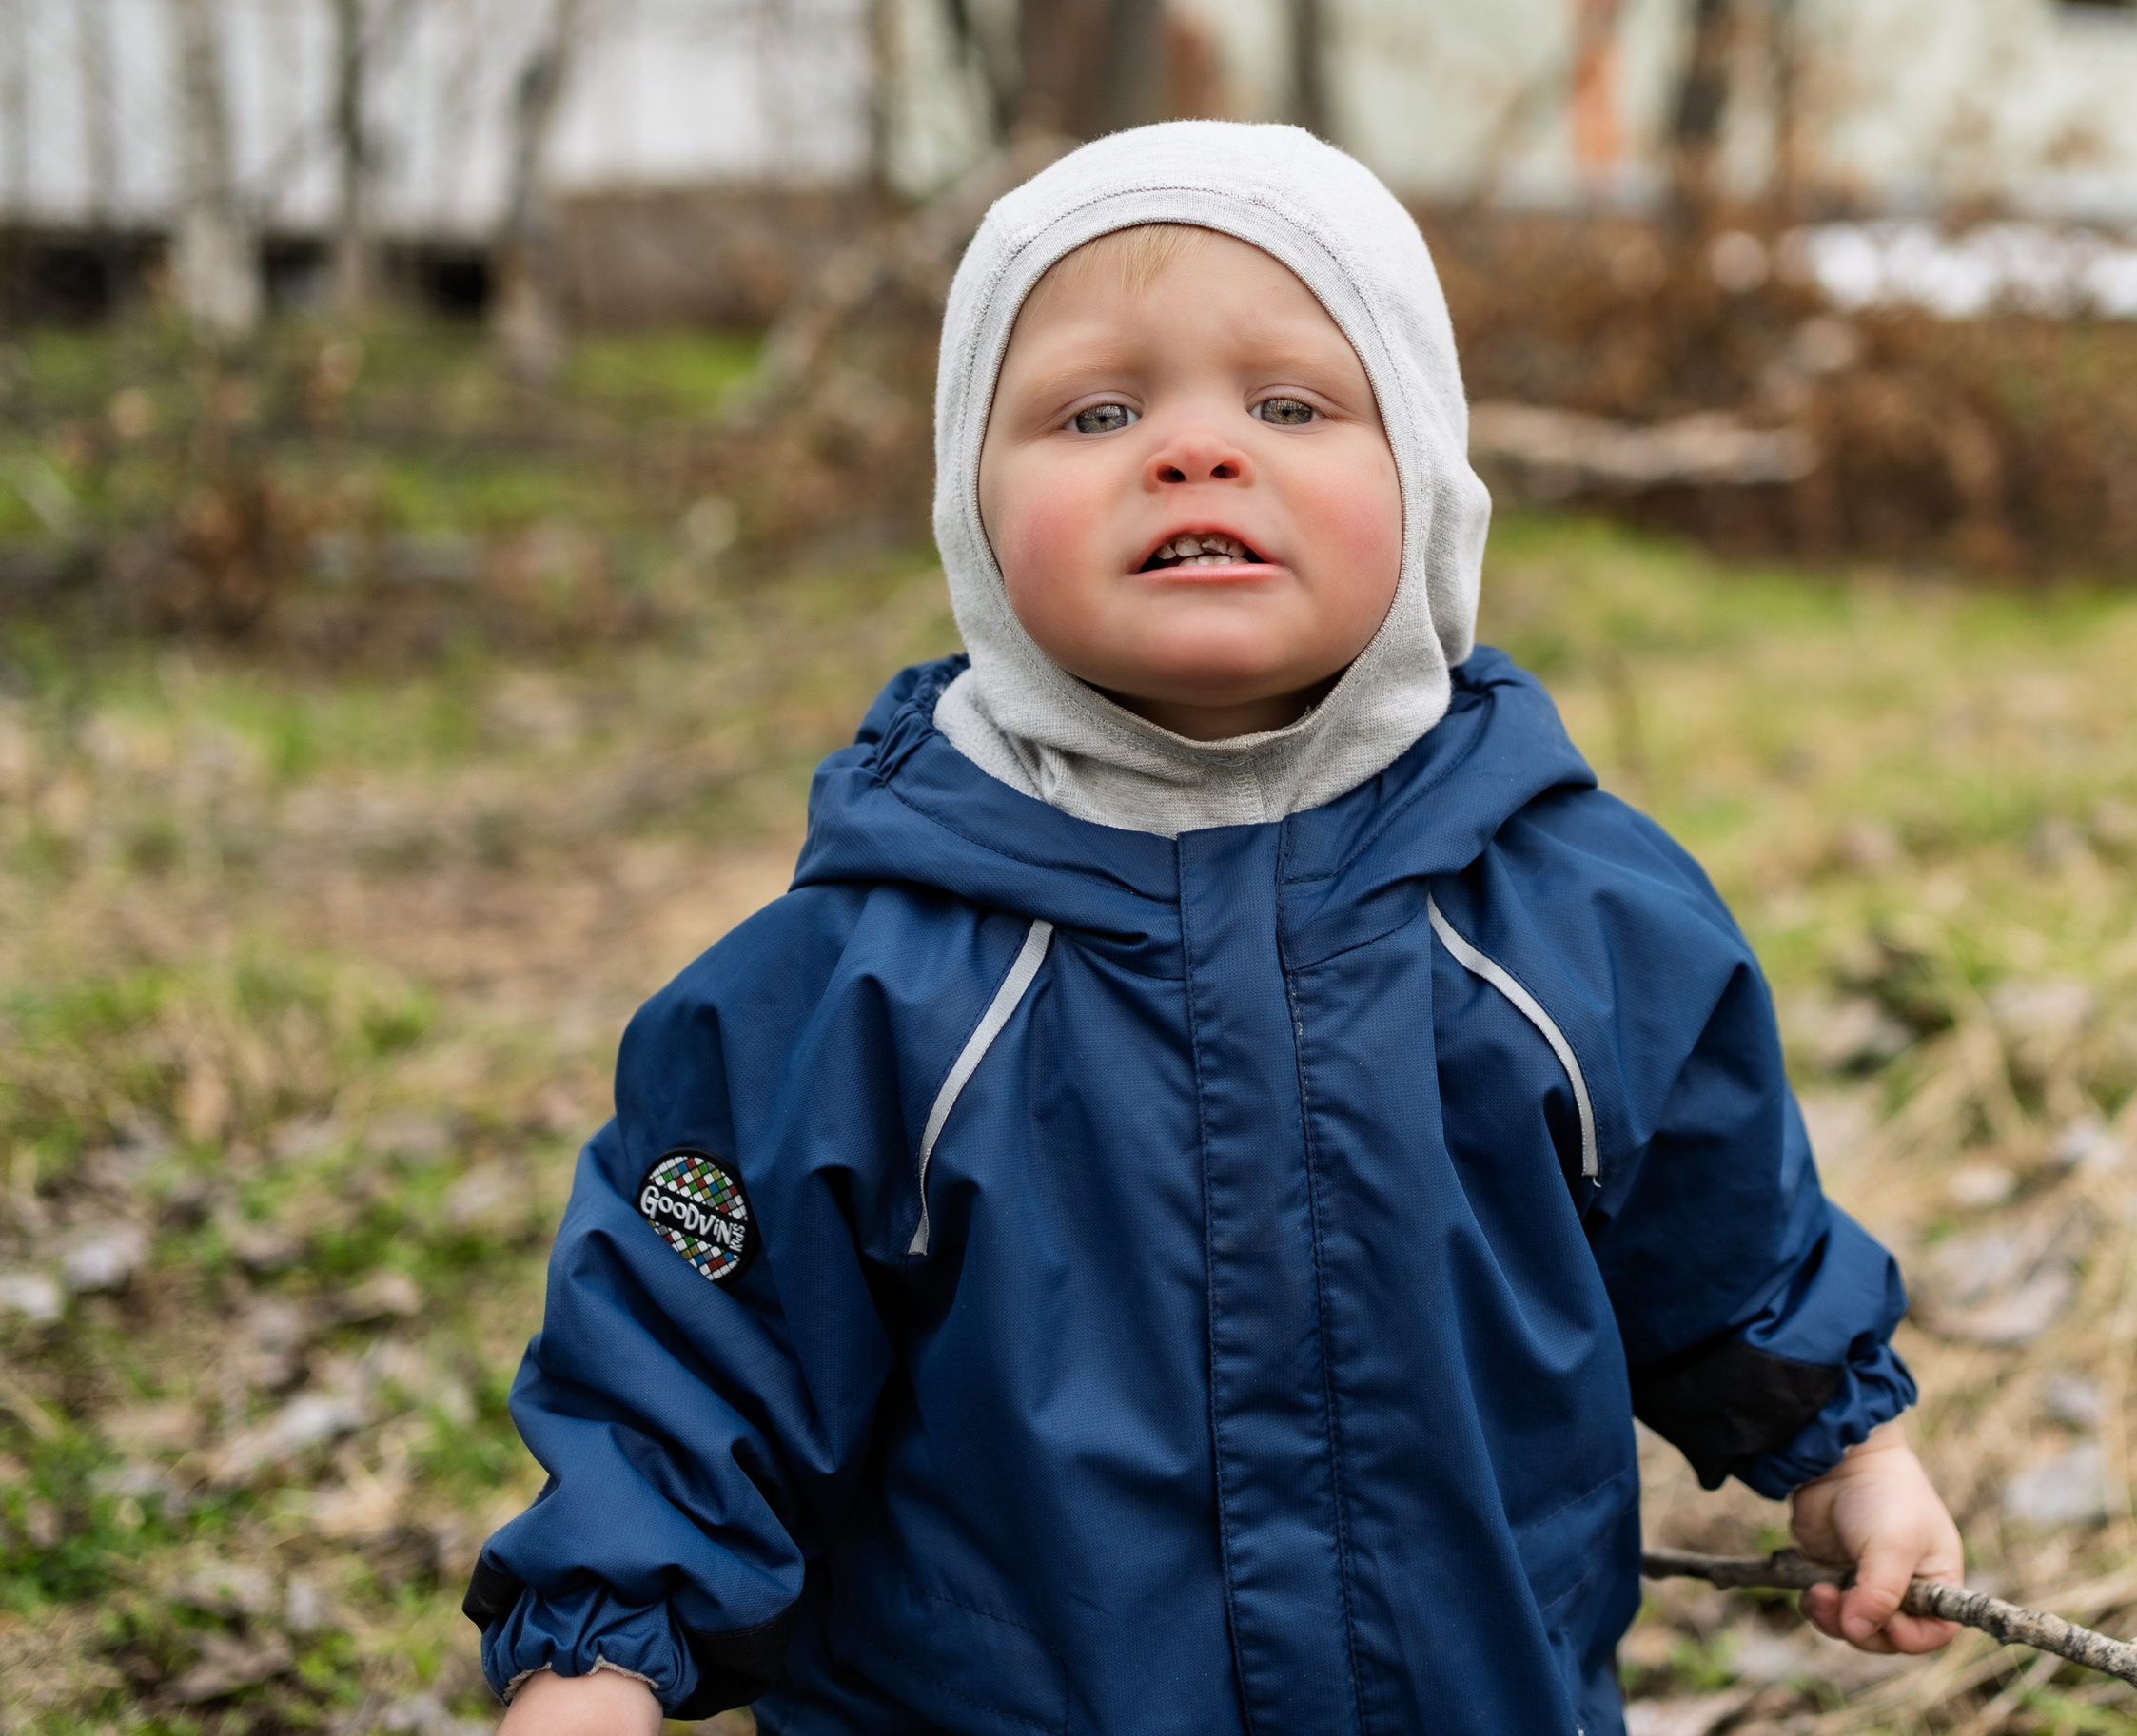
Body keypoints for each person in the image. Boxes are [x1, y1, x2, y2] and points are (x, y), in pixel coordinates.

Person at [467, 123, 1963, 1736]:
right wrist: (595, 1654)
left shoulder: (1570, 918)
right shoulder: (864, 981)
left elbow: (1724, 1230)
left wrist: (1853, 1456)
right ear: (970, 505)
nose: (1192, 452)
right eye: (1097, 411)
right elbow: (695, 1349)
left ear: (1429, 477)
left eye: (1291, 404)